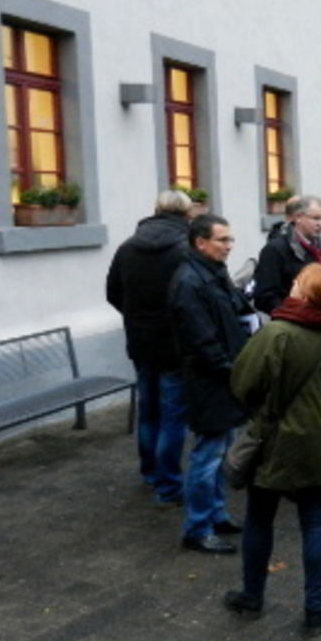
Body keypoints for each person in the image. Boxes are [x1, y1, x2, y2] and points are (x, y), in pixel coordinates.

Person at [224, 264, 321, 638]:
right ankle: (315, 609)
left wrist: (266, 408)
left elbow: (243, 383)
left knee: (259, 518)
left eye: (298, 283)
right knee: (316, 521)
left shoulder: (277, 333)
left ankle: (253, 596)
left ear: (306, 293)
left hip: (276, 443)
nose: (292, 286)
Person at [168, 214, 252, 555]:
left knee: (219, 452)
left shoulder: (213, 273)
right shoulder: (189, 282)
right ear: (200, 243)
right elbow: (202, 341)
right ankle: (198, 527)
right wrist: (233, 371)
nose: (229, 246)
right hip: (210, 380)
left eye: (230, 240)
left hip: (224, 377)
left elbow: (232, 316)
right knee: (207, 456)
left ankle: (216, 514)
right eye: (222, 240)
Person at [106, 189, 193, 506]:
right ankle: (168, 484)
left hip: (141, 340)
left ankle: (150, 471)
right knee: (173, 415)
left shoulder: (128, 247)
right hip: (173, 342)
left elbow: (113, 291)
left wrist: (136, 317)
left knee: (149, 410)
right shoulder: (185, 248)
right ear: (186, 214)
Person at [254, 195, 321, 314]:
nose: (320, 224)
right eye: (315, 218)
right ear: (298, 217)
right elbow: (265, 295)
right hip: (293, 322)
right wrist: (292, 315)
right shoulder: (275, 249)